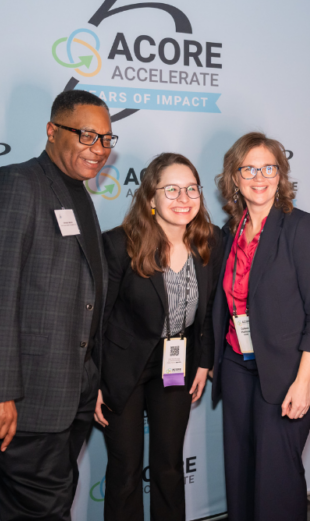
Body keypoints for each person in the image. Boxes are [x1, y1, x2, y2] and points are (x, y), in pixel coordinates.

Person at [0, 90, 117, 521]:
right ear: (51, 130)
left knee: (53, 506)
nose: (97, 149)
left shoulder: (78, 192)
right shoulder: (16, 184)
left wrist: (92, 375)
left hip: (70, 394)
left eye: (106, 139)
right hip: (22, 402)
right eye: (86, 135)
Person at [212, 132, 310, 521]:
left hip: (290, 371)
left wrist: (303, 382)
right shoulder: (229, 232)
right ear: (234, 178)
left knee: (276, 476)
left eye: (269, 167)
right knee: (240, 470)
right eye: (249, 168)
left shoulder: (300, 227)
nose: (260, 176)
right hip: (237, 366)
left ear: (280, 175)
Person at [95, 153, 222, 521]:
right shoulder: (119, 245)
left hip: (177, 362)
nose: (184, 199)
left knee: (169, 464)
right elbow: (97, 319)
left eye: (191, 189)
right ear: (150, 198)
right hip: (123, 366)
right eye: (172, 190)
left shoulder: (209, 241)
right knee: (126, 469)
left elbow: (210, 309)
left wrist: (203, 360)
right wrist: (94, 380)